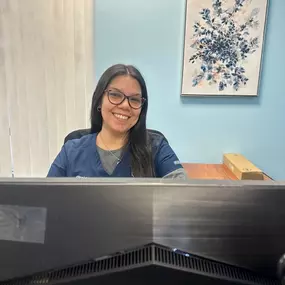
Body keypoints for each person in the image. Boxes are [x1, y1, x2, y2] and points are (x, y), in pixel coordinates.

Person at [47, 64, 187, 179]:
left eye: (134, 99)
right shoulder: (71, 151)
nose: (125, 105)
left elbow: (183, 196)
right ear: (99, 100)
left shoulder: (156, 147)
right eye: (115, 95)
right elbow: (45, 203)